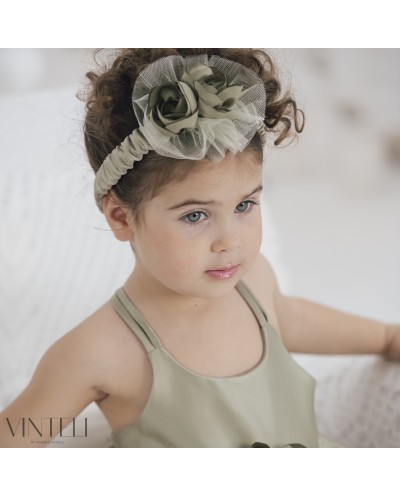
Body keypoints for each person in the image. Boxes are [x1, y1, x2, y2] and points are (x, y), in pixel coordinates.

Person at [1, 48, 399, 448]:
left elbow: (290, 319)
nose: (231, 241)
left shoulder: (253, 281)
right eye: (195, 215)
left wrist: (385, 337)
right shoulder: (100, 351)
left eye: (244, 206)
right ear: (121, 217)